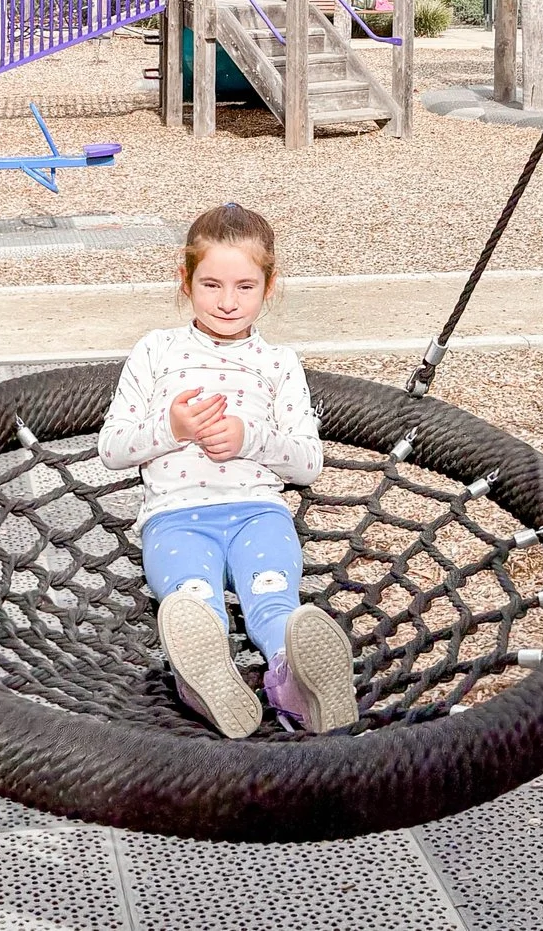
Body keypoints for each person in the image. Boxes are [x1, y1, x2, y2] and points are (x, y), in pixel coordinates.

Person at [99, 203, 358, 739]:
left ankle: (294, 680)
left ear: (269, 286)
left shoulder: (279, 362)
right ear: (185, 279)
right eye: (211, 284)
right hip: (176, 516)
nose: (227, 301)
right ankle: (205, 679)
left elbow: (308, 463)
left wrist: (248, 439)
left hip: (258, 513)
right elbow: (113, 448)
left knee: (274, 603)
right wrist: (172, 428)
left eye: (244, 286)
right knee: (192, 602)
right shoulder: (156, 350)